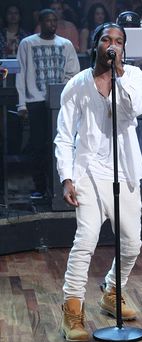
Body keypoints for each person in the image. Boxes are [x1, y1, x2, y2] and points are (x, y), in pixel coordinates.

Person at [54, 21, 142, 342]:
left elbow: (136, 109)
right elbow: (64, 136)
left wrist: (119, 72)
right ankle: (72, 310)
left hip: (125, 172)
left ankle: (112, 290)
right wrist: (66, 177)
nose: (113, 44)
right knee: (87, 240)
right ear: (95, 44)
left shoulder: (132, 77)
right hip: (89, 172)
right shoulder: (77, 85)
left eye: (119, 41)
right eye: (107, 39)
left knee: (132, 242)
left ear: (124, 48)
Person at [16, 9, 80, 199]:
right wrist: (21, 104)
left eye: (55, 21)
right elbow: (20, 74)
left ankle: (60, 186)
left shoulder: (65, 44)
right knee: (37, 146)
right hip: (35, 101)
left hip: (59, 102)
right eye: (48, 21)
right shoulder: (27, 43)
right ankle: (40, 187)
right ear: (40, 22)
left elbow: (74, 73)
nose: (52, 24)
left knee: (60, 144)